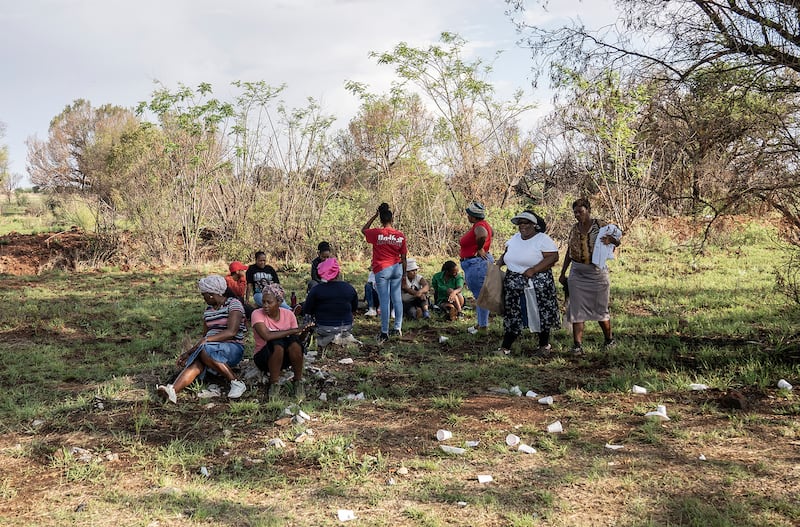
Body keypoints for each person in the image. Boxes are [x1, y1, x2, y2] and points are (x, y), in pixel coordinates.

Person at [156, 275, 247, 404]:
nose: (203, 298)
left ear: (211, 294)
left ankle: (236, 382)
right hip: (209, 349)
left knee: (204, 350)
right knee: (198, 360)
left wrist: (207, 341)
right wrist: (189, 353)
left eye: (203, 295)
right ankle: (172, 391)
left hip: (232, 347)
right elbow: (205, 336)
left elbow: (231, 332)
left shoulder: (234, 304)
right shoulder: (208, 311)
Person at [558, 197, 622, 355]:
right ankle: (577, 345)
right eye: (575, 212)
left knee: (601, 309)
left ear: (588, 210)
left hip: (596, 273)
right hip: (577, 272)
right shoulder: (574, 229)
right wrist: (563, 272)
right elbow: (569, 251)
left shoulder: (600, 225)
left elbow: (618, 240)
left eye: (580, 211)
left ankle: (609, 340)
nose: (577, 215)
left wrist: (610, 240)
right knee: (576, 309)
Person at [496, 210, 561, 356]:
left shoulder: (542, 239)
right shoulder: (515, 238)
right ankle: (505, 347)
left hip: (537, 283)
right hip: (514, 281)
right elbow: (507, 252)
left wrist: (534, 269)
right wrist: (498, 264)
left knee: (540, 312)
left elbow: (553, 257)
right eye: (520, 223)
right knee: (512, 313)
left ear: (534, 225)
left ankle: (544, 345)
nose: (522, 226)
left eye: (526, 223)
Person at [251, 283, 314, 401]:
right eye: (263, 302)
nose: (265, 305)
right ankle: (274, 384)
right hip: (264, 357)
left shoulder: (288, 314)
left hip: (284, 359)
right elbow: (267, 336)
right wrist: (294, 330)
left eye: (269, 302)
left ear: (279, 303)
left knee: (293, 342)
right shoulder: (257, 314)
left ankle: (298, 381)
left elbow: (297, 342)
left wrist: (305, 331)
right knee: (277, 342)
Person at [362, 202, 408, 343]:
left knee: (384, 300)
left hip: (382, 269)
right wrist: (405, 274)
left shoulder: (377, 233)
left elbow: (364, 229)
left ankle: (384, 332)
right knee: (397, 299)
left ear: (381, 220)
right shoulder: (400, 235)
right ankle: (398, 328)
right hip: (397, 269)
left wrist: (374, 215)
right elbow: (404, 257)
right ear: (392, 220)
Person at [302, 258, 359, 348]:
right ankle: (342, 337)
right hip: (346, 327)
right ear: (338, 273)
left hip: (324, 328)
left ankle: (313, 339)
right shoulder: (349, 288)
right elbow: (354, 308)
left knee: (308, 317)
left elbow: (307, 310)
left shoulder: (316, 290)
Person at [459, 201, 494, 331]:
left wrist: (480, 248)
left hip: (476, 263)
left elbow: (482, 235)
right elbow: (490, 234)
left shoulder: (479, 226)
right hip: (477, 262)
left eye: (469, 214)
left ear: (473, 216)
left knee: (481, 295)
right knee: (481, 295)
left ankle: (483, 325)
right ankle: (480, 324)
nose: (467, 216)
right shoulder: (483, 225)